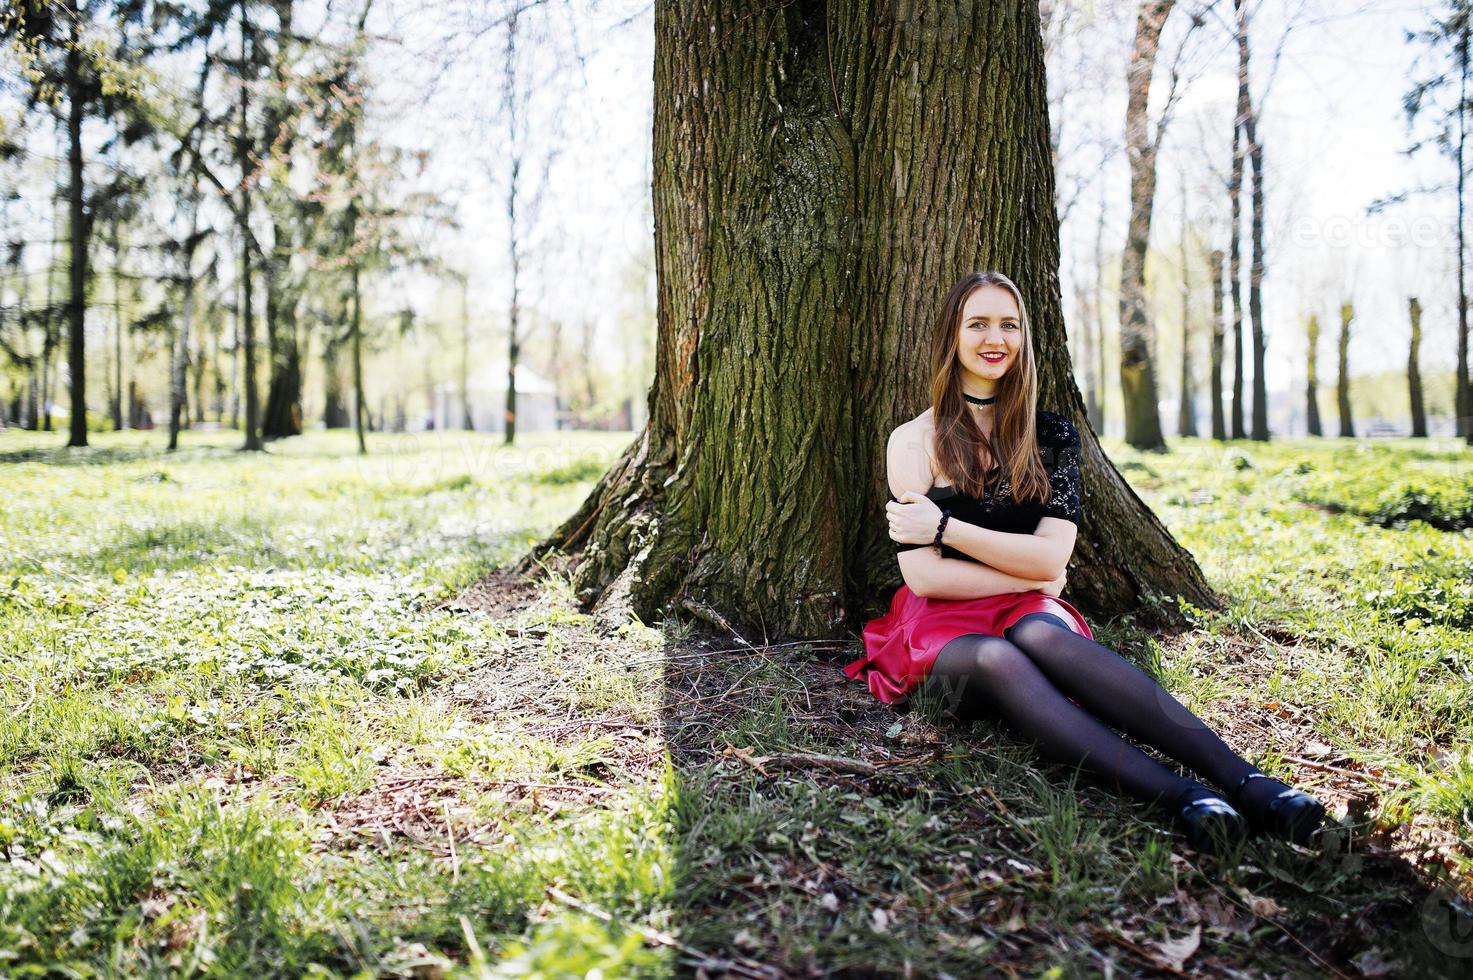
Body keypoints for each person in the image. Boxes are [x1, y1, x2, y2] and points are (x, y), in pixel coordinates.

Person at [841, 271, 1327, 852]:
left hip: (1029, 608)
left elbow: (1054, 558)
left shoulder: (1051, 437)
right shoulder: (913, 442)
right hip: (937, 628)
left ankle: (1248, 781)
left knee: (1043, 641)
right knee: (997, 657)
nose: (995, 338)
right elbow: (926, 576)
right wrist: (1032, 569)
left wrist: (948, 528)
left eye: (1009, 325)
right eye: (978, 324)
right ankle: (1183, 797)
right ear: (952, 335)